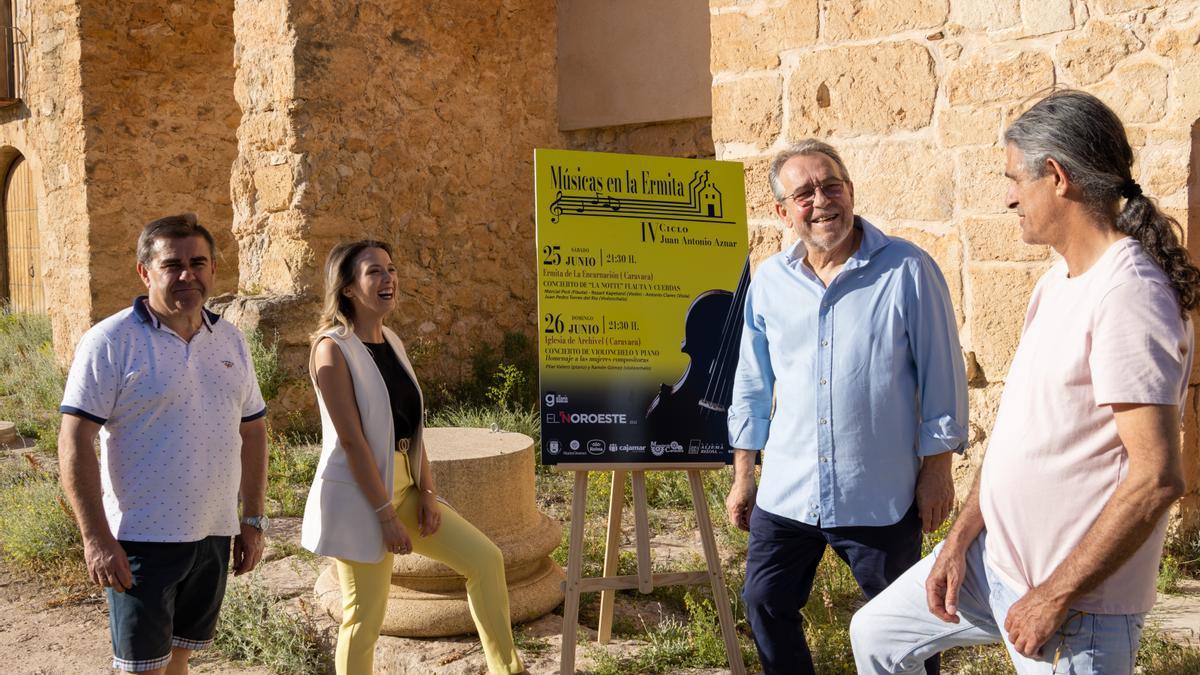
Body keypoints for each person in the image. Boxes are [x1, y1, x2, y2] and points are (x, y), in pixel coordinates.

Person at [850, 90, 1197, 673]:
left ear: (1056, 176)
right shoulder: (1057, 282)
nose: (1008, 196)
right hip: (996, 566)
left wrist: (1053, 596)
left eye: (1014, 178)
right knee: (876, 635)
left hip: (1074, 606)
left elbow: (1157, 478)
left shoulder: (1129, 294)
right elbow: (1018, 433)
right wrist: (959, 540)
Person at [725, 139, 968, 674]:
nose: (821, 200)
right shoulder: (769, 281)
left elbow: (942, 377)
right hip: (788, 492)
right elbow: (752, 384)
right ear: (783, 212)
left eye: (831, 185)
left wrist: (938, 470)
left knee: (907, 624)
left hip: (877, 493)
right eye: (804, 193)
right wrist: (745, 474)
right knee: (764, 603)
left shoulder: (907, 269)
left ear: (851, 192)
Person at [300, 239, 527, 674]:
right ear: (347, 288)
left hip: (405, 486)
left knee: (485, 559)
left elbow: (412, 430)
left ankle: (508, 669)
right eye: (374, 272)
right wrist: (385, 516)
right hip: (360, 499)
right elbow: (352, 442)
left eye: (391, 269)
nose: (389, 279)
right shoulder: (332, 349)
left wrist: (428, 490)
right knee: (364, 617)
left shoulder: (392, 341)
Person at [58, 213, 269, 675]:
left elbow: (252, 429)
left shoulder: (230, 339)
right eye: (172, 265)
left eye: (198, 262)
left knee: (180, 658)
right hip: (140, 539)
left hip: (214, 531)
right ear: (145, 272)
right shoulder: (111, 341)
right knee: (141, 669)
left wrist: (251, 518)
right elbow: (75, 439)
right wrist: (95, 539)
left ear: (214, 268)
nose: (187, 275)